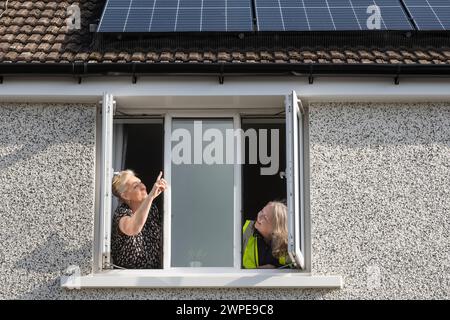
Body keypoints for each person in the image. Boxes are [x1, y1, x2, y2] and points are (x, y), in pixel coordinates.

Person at [111, 170, 167, 269]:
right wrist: (150, 197)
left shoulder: (152, 209)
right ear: (125, 195)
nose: (143, 186)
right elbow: (132, 228)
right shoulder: (122, 213)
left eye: (140, 182)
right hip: (127, 279)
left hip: (154, 275)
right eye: (136, 186)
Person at [242, 201, 291, 269]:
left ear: (276, 229)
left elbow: (295, 271)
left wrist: (276, 269)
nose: (259, 216)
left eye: (265, 217)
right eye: (262, 211)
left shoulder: (288, 246)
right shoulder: (245, 229)